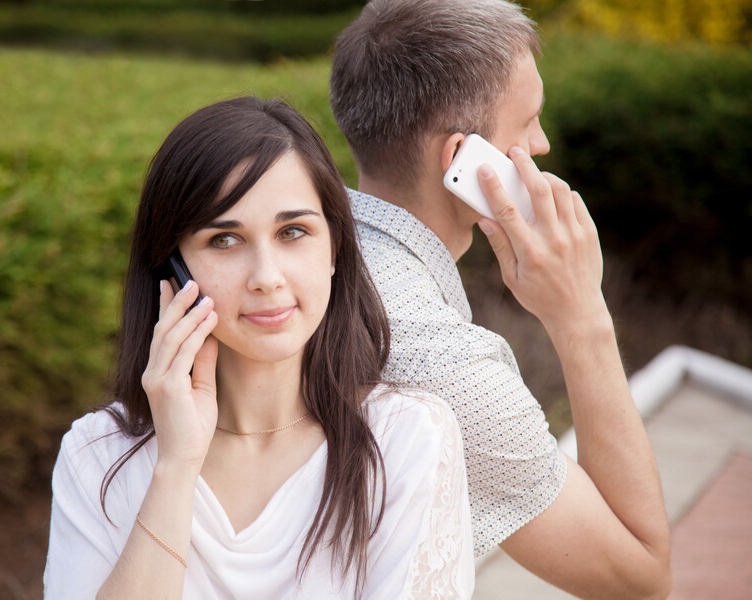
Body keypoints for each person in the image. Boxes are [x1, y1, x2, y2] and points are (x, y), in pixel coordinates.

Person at [43, 96, 474, 599]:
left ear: (334, 249)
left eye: (293, 232)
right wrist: (177, 465)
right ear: (173, 270)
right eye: (224, 241)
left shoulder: (403, 436)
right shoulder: (97, 455)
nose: (266, 278)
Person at [330, 1, 672, 598]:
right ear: (461, 158)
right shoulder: (443, 363)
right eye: (529, 121)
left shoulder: (301, 251)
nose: (540, 144)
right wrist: (581, 315)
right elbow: (640, 574)